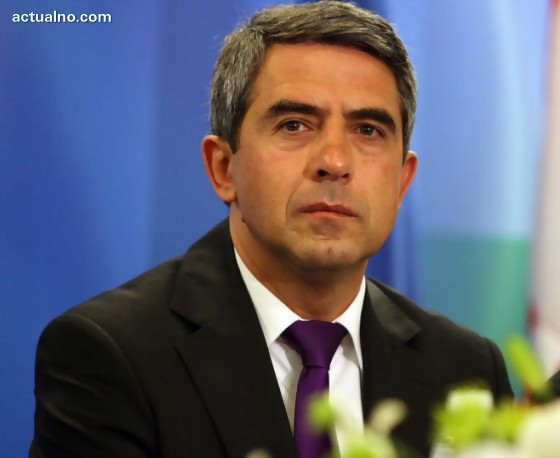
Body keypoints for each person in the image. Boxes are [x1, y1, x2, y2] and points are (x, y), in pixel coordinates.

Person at [30, 2, 513, 457]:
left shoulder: (466, 371)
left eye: (368, 130)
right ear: (223, 168)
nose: (334, 161)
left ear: (402, 181)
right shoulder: (112, 354)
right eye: (295, 125)